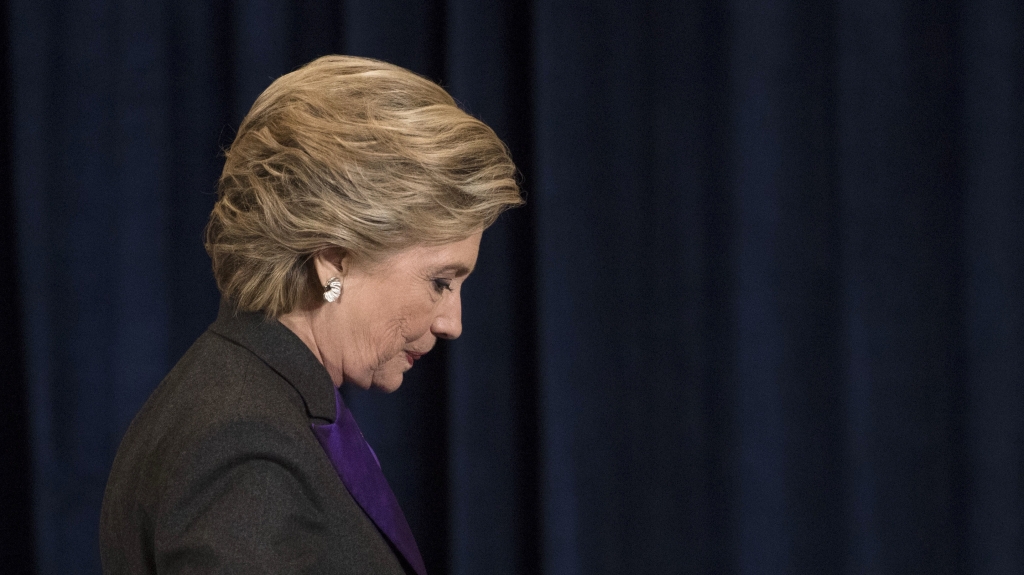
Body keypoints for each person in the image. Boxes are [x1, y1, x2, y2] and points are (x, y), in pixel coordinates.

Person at [99, 55, 522, 574]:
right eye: (440, 282)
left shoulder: (258, 406)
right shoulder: (243, 450)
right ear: (332, 260)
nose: (451, 322)